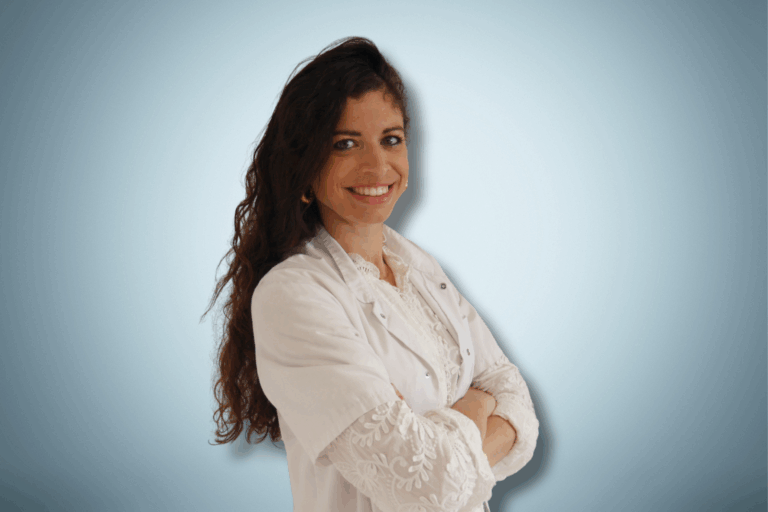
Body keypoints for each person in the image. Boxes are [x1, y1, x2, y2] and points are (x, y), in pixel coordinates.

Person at [203, 36, 539, 512]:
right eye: (345, 144)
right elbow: (422, 487)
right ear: (304, 168)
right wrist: (479, 405)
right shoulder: (292, 295)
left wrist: (442, 441)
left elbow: (516, 399)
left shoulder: (418, 267)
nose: (378, 165)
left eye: (391, 139)